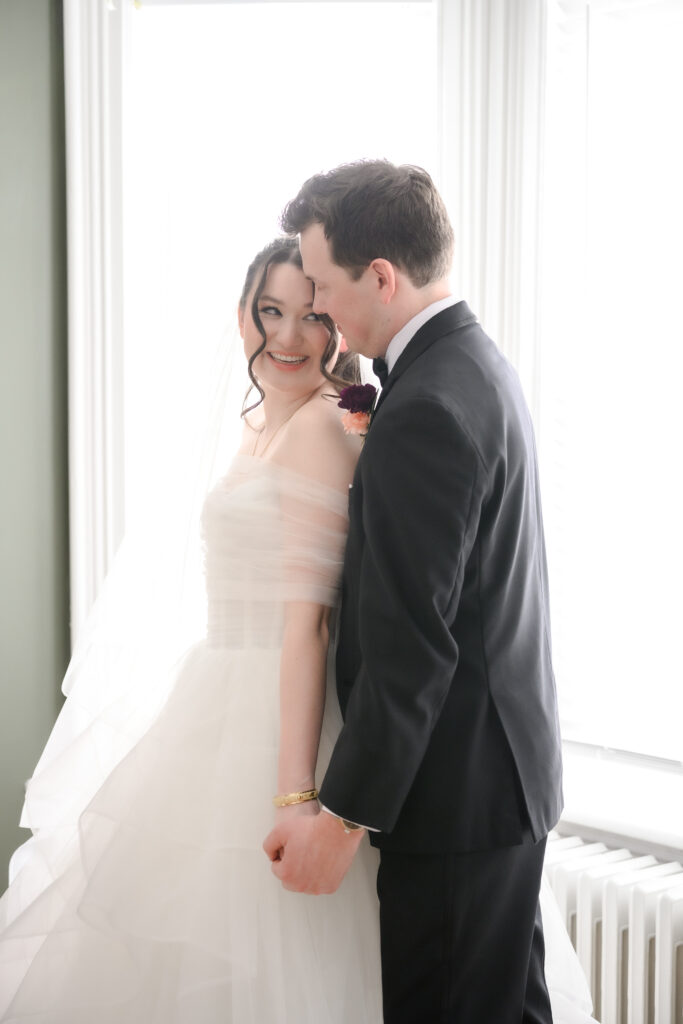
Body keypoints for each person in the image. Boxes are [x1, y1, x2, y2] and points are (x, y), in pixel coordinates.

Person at [0, 237, 383, 1022]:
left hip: (278, 713)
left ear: (337, 326)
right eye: (267, 311)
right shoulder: (257, 423)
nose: (284, 337)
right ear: (240, 313)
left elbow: (305, 625)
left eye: (310, 316)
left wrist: (294, 793)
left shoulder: (318, 426)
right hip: (218, 691)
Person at [264, 160, 567, 1023]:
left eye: (322, 285)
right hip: (502, 779)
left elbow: (412, 647)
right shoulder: (477, 364)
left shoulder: (426, 407)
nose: (317, 308)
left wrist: (340, 817)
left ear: (383, 277)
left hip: (455, 802)